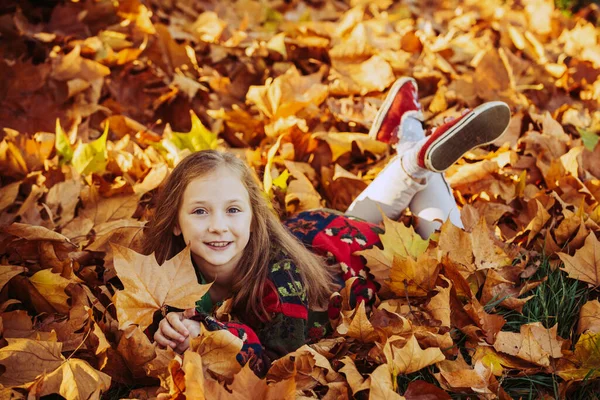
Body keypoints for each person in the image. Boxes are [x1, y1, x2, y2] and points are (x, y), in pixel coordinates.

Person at [141, 77, 511, 374]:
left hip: (363, 255)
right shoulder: (170, 271)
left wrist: (208, 334)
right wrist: (169, 329)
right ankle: (410, 135)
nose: (218, 226)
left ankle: (418, 153)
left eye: (233, 211)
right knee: (362, 213)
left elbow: (278, 364)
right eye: (200, 212)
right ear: (175, 222)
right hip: (322, 235)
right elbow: (156, 317)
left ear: (256, 218)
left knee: (459, 264)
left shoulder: (280, 289)